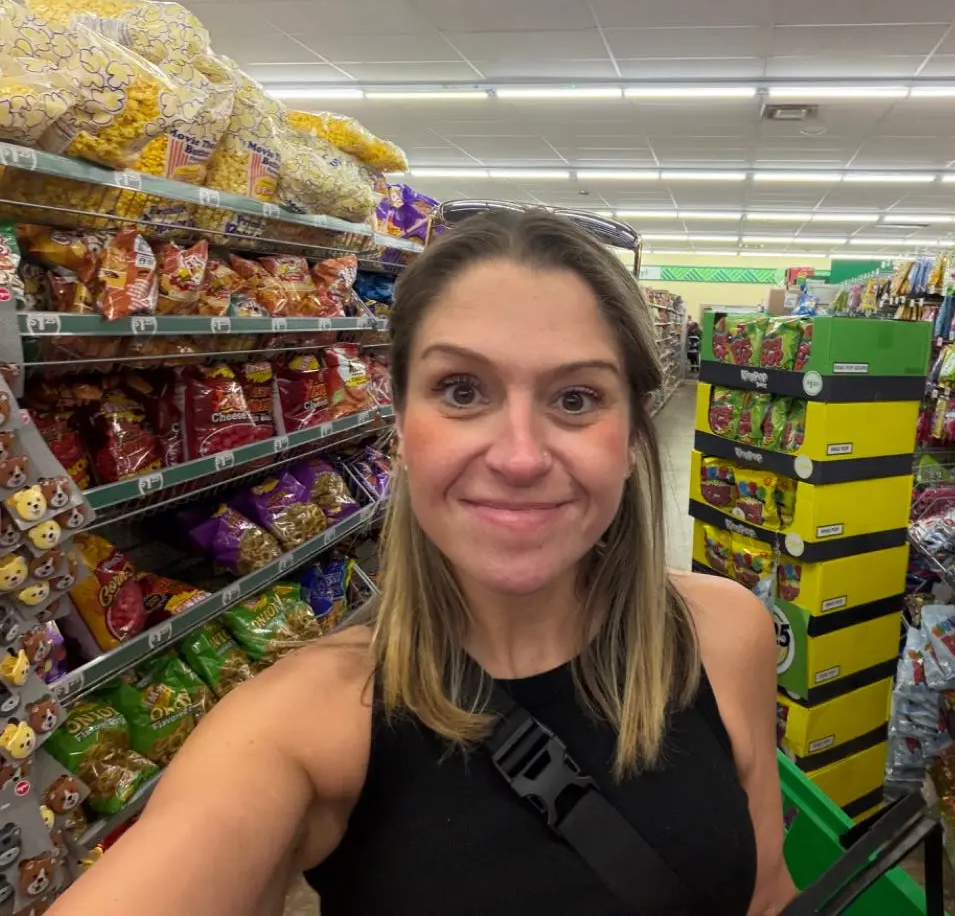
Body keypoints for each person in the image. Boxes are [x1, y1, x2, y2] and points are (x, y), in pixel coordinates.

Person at [49, 211, 796, 916]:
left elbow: (765, 896)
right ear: (400, 428)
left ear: (633, 437)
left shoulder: (724, 633)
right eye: (461, 391)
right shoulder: (298, 728)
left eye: (575, 398)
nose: (519, 456)